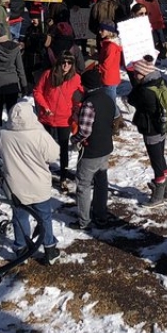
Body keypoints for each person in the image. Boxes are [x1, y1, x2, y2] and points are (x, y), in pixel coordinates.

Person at [0, 98, 62, 265]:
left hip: (15, 186)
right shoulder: (39, 135)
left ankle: (21, 248)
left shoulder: (2, 135)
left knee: (20, 217)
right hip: (38, 185)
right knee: (44, 217)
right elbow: (53, 154)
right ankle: (49, 249)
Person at [69, 68, 117, 231]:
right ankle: (100, 215)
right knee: (101, 182)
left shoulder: (89, 104)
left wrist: (73, 140)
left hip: (92, 151)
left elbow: (84, 131)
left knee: (83, 185)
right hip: (106, 147)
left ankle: (84, 221)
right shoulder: (108, 98)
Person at [125, 56, 167, 207]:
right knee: (160, 157)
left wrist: (137, 86)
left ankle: (158, 196)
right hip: (162, 127)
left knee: (156, 161)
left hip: (151, 129)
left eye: (136, 74)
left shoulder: (145, 91)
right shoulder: (159, 81)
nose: (134, 76)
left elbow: (131, 99)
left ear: (143, 74)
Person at [33, 52, 82, 191]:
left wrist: (76, 108)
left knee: (64, 148)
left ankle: (63, 177)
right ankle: (44, 173)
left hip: (64, 120)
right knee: (44, 147)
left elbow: (81, 95)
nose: (66, 65)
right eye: (63, 62)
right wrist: (45, 106)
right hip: (46, 117)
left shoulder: (76, 78)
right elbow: (37, 91)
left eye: (69, 62)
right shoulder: (48, 74)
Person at [0, 22, 27, 131]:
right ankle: (12, 130)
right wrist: (24, 85)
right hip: (11, 84)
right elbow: (20, 68)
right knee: (12, 110)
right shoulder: (15, 47)